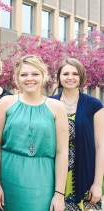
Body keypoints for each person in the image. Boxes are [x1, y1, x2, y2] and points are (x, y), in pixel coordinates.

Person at [0, 55, 69, 211]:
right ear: (17, 78)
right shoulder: (6, 103)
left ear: (43, 76)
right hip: (8, 178)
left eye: (35, 74)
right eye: (24, 74)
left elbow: (62, 152)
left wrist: (59, 194)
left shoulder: (57, 107)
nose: (29, 79)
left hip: (43, 181)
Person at [52, 58, 104, 210]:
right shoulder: (49, 103)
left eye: (75, 73)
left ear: (81, 77)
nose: (70, 77)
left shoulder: (94, 105)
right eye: (65, 73)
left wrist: (97, 184)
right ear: (59, 77)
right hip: (55, 175)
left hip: (85, 172)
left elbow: (100, 146)